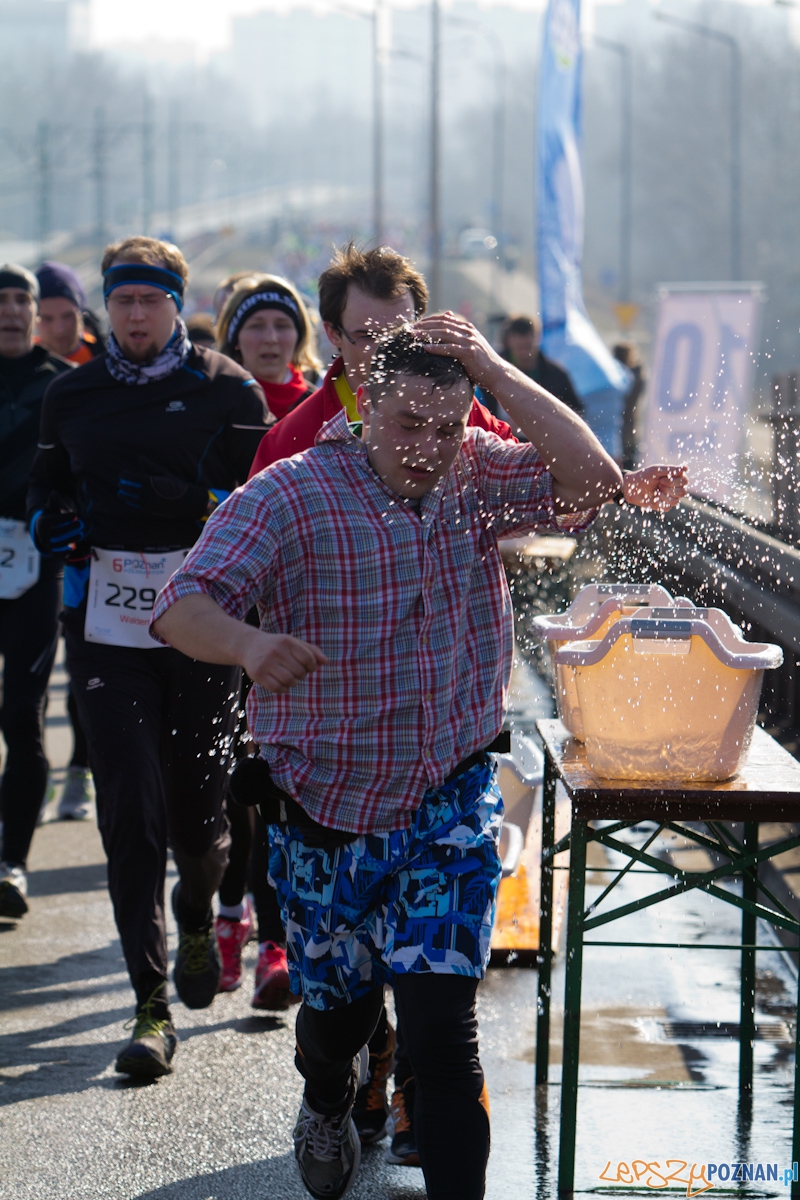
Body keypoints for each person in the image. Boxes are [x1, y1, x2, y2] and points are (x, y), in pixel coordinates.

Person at [152, 316, 686, 1200]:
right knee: (339, 1020)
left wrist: (491, 369)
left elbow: (593, 478)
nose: (430, 448)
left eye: (447, 426)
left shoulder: (477, 474)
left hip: (448, 800)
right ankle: (327, 1093)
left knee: (443, 1036)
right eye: (409, 425)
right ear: (366, 409)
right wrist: (247, 646)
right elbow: (179, 605)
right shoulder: (292, 493)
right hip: (324, 814)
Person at [27, 235, 271, 1079]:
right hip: (108, 631)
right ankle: (150, 1005)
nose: (135, 315)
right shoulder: (74, 395)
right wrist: (49, 522)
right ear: (109, 304)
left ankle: (200, 911)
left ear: (176, 303)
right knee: (128, 809)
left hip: (202, 626)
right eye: (122, 300)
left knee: (199, 820)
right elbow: (47, 487)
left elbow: (269, 501)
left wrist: (195, 504)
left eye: (150, 300)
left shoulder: (228, 393)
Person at [0, 264, 73, 918]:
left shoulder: (63, 386)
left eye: (23, 299)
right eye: (1, 301)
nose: (13, 310)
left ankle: (11, 863)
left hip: (33, 573)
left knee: (21, 717)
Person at [217, 275, 321, 421]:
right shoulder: (212, 404)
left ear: (299, 337)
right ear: (235, 339)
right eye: (256, 326)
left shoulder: (320, 409)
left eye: (282, 326)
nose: (271, 339)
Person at [498, 313, 582, 415]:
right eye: (519, 344)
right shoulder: (494, 372)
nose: (523, 344)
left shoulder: (557, 376)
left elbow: (576, 413)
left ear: (537, 338)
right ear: (508, 341)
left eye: (526, 345)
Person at [36, 261, 104, 365]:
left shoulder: (103, 356)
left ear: (82, 314)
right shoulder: (19, 360)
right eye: (47, 318)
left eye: (68, 316)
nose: (59, 330)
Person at [613, 340, 646, 471]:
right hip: (629, 427)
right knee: (629, 466)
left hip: (619, 428)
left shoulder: (617, 378)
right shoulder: (637, 377)